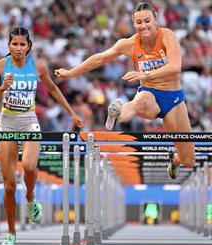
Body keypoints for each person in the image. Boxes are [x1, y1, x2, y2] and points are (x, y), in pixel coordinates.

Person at [55, 2, 195, 180]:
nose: (143, 26)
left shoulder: (167, 35)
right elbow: (99, 59)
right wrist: (70, 73)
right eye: (139, 22)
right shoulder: (128, 44)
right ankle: (118, 110)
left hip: (174, 99)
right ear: (133, 23)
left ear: (156, 20)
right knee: (139, 103)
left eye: (147, 21)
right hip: (150, 93)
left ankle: (174, 159)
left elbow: (175, 67)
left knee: (188, 160)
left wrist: (145, 73)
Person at [0, 27, 83, 245]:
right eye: (14, 44)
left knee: (29, 166)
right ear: (8, 45)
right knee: (9, 186)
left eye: (22, 44)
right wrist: (2, 89)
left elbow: (54, 90)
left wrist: (72, 113)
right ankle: (11, 233)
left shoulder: (37, 66)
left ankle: (30, 197)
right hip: (7, 123)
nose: (18, 48)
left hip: (29, 120)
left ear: (28, 46)